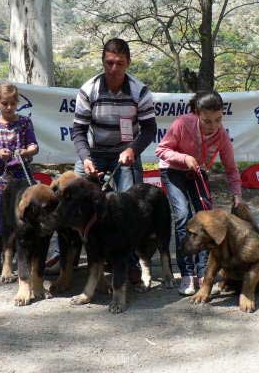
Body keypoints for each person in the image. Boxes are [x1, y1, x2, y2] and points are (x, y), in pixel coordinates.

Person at [70, 38, 157, 283]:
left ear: (128, 63)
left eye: (119, 63)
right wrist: (86, 158)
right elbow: (78, 131)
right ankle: (65, 257)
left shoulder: (140, 91)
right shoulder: (88, 90)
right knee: (70, 199)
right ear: (103, 62)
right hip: (95, 152)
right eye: (109, 62)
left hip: (125, 153)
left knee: (130, 204)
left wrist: (133, 149)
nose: (114, 68)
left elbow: (149, 130)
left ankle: (131, 262)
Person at [155, 91, 243, 296]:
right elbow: (161, 150)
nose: (213, 126)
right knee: (183, 215)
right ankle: (186, 273)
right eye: (207, 121)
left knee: (206, 217)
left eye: (218, 119)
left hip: (197, 171)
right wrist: (184, 158)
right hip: (172, 169)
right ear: (196, 114)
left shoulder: (221, 135)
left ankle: (204, 272)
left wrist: (237, 195)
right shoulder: (182, 123)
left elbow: (231, 168)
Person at [0, 82, 39, 275]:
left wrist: (25, 151)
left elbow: (34, 146)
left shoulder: (25, 122)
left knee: (25, 217)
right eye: (5, 103)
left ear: (17, 103)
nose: (9, 108)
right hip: (1, 178)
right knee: (1, 218)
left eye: (12, 104)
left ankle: (25, 256)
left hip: (23, 177)